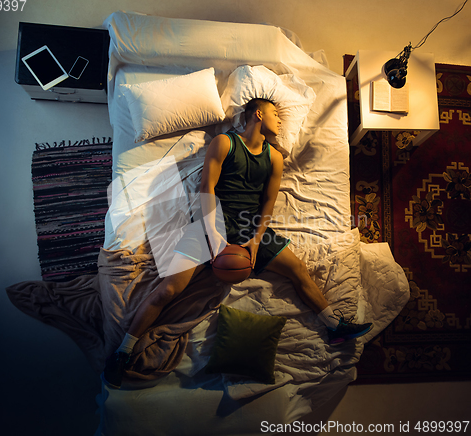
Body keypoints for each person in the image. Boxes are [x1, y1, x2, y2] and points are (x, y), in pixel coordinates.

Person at [103, 98, 372, 388]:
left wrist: (256, 240)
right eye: (275, 114)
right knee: (166, 290)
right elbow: (206, 188)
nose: (280, 121)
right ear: (258, 114)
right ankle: (124, 352)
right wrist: (214, 234)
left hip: (249, 227)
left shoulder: (275, 157)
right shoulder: (224, 143)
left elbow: (269, 201)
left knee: (298, 270)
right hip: (209, 225)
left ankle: (335, 327)